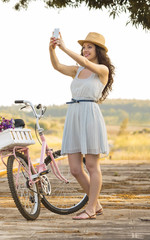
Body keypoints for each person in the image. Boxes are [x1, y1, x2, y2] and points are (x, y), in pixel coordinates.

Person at [49, 32, 114, 220]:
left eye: (89, 47)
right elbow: (57, 66)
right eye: (84, 47)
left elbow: (86, 64)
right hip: (74, 115)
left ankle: (91, 208)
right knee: (76, 169)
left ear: (98, 50)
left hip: (90, 115)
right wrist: (52, 49)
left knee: (92, 165)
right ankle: (97, 205)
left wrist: (63, 47)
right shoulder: (76, 70)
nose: (85, 50)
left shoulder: (102, 69)